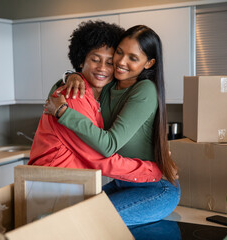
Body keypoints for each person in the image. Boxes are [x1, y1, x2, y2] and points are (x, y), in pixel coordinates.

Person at [44, 25, 180, 226]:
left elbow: (109, 145)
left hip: (156, 188)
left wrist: (64, 113)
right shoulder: (109, 85)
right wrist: (71, 76)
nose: (120, 62)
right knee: (68, 216)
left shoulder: (145, 90)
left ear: (149, 63)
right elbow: (71, 84)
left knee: (86, 221)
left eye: (133, 58)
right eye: (119, 52)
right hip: (122, 184)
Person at [28, 21, 163, 184]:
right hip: (51, 186)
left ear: (149, 63)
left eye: (109, 61)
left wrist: (71, 76)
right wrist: (152, 170)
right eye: (95, 59)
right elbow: (99, 158)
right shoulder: (74, 94)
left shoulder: (106, 91)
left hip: (65, 185)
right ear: (80, 60)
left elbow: (106, 146)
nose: (103, 68)